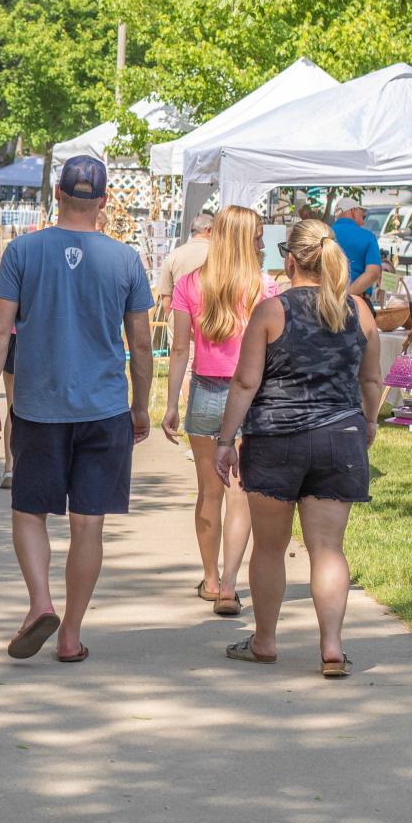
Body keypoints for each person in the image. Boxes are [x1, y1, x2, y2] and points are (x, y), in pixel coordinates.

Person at [0, 156, 153, 664]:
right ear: (102, 201)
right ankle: (71, 633)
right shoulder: (125, 260)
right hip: (103, 407)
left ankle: (39, 604)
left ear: (57, 194)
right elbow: (140, 344)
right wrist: (140, 405)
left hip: (38, 406)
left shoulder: (23, 251)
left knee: (30, 511)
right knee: (88, 523)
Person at [215, 218, 384, 678]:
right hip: (340, 440)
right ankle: (331, 646)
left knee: (269, 548)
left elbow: (246, 381)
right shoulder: (359, 311)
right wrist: (368, 422)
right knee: (328, 548)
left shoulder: (272, 312)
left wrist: (226, 440)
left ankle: (265, 641)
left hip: (275, 441)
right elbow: (371, 379)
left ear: (289, 260)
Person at [160, 205, 276, 618]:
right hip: (251, 395)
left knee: (209, 492)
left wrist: (172, 402)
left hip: (206, 392)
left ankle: (209, 578)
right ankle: (230, 585)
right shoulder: (265, 287)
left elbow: (178, 349)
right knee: (239, 494)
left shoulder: (191, 284)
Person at [153, 213, 215, 312]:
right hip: (210, 321)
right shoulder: (219, 255)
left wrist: (172, 323)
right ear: (209, 230)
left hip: (179, 319)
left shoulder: (174, 255)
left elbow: (166, 297)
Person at [329, 199, 384, 304]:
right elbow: (373, 273)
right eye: (362, 216)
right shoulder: (368, 237)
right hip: (358, 302)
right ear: (353, 211)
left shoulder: (323, 234)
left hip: (327, 302)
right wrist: (347, 294)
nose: (363, 221)